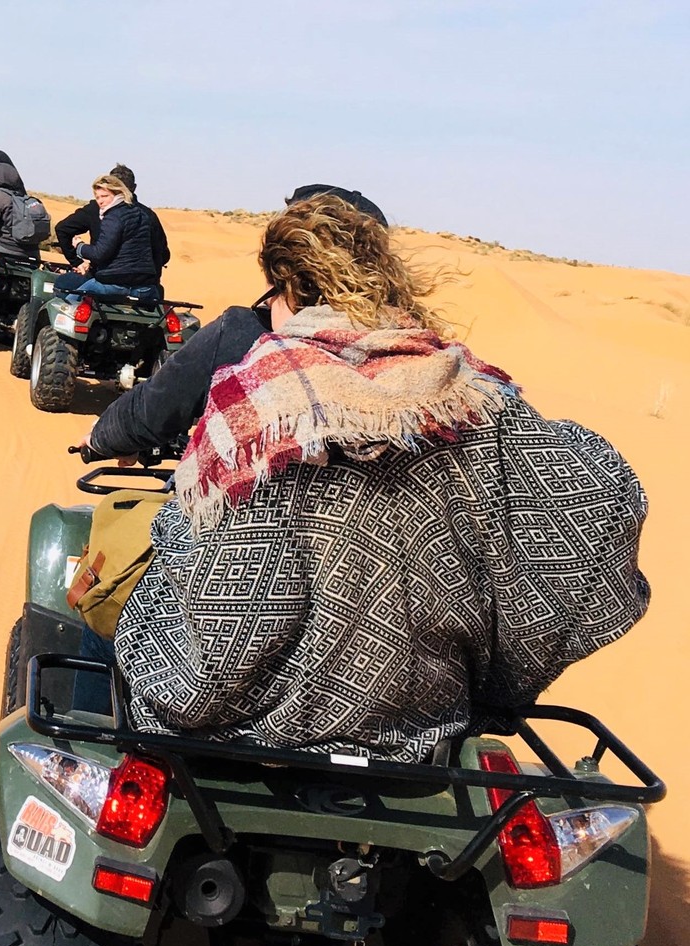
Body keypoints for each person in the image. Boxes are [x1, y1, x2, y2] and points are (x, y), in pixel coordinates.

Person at [109, 195, 650, 762]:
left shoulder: (265, 398)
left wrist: (171, 532)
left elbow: (235, 618)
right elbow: (602, 495)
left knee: (120, 615)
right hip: (424, 727)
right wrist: (502, 676)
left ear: (291, 288)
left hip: (258, 730)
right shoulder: (465, 387)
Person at [79, 187, 388, 462]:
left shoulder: (246, 335)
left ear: (284, 271)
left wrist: (102, 438)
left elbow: (154, 407)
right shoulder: (403, 346)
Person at [52, 174, 160, 302]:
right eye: (97, 197)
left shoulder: (113, 216)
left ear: (118, 193)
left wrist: (79, 246)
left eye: (104, 196)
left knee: (66, 305)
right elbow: (160, 252)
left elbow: (100, 253)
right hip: (145, 288)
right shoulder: (144, 214)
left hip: (114, 284)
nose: (100, 201)